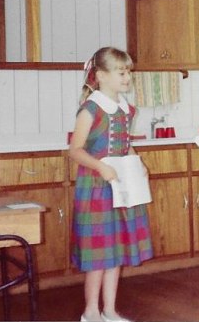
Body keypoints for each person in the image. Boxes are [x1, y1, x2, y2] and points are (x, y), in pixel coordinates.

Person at [69, 47, 153, 322]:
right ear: (102, 76)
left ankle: (110, 311)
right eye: (121, 72)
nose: (127, 76)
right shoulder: (91, 109)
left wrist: (137, 162)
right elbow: (76, 150)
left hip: (121, 187)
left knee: (115, 251)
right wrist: (101, 166)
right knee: (99, 255)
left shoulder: (126, 110)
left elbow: (124, 146)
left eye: (129, 71)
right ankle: (91, 312)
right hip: (96, 187)